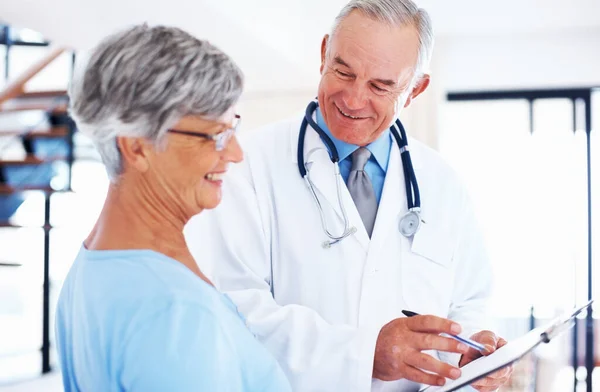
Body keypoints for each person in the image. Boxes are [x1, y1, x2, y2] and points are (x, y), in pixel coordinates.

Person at [185, 0, 513, 391]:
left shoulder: (444, 184)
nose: (354, 99)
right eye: (343, 71)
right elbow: (234, 307)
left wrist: (472, 349)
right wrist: (362, 354)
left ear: (415, 89)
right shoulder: (248, 166)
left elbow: (468, 302)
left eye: (380, 86)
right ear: (324, 54)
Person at [55, 24, 291, 392]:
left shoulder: (93, 265)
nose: (235, 153)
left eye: (233, 128)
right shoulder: (174, 313)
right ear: (136, 146)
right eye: (215, 135)